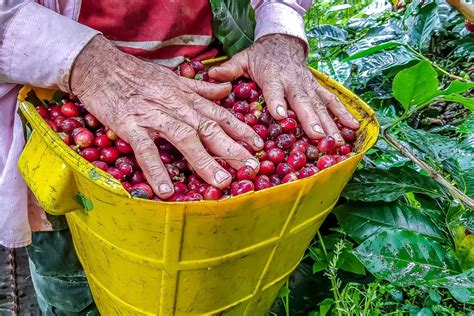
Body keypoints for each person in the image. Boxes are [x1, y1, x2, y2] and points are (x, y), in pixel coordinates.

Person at [0, 0, 359, 314]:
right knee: (75, 286)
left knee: (225, 282)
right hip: (64, 110)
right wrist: (86, 63)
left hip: (211, 86)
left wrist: (280, 27)